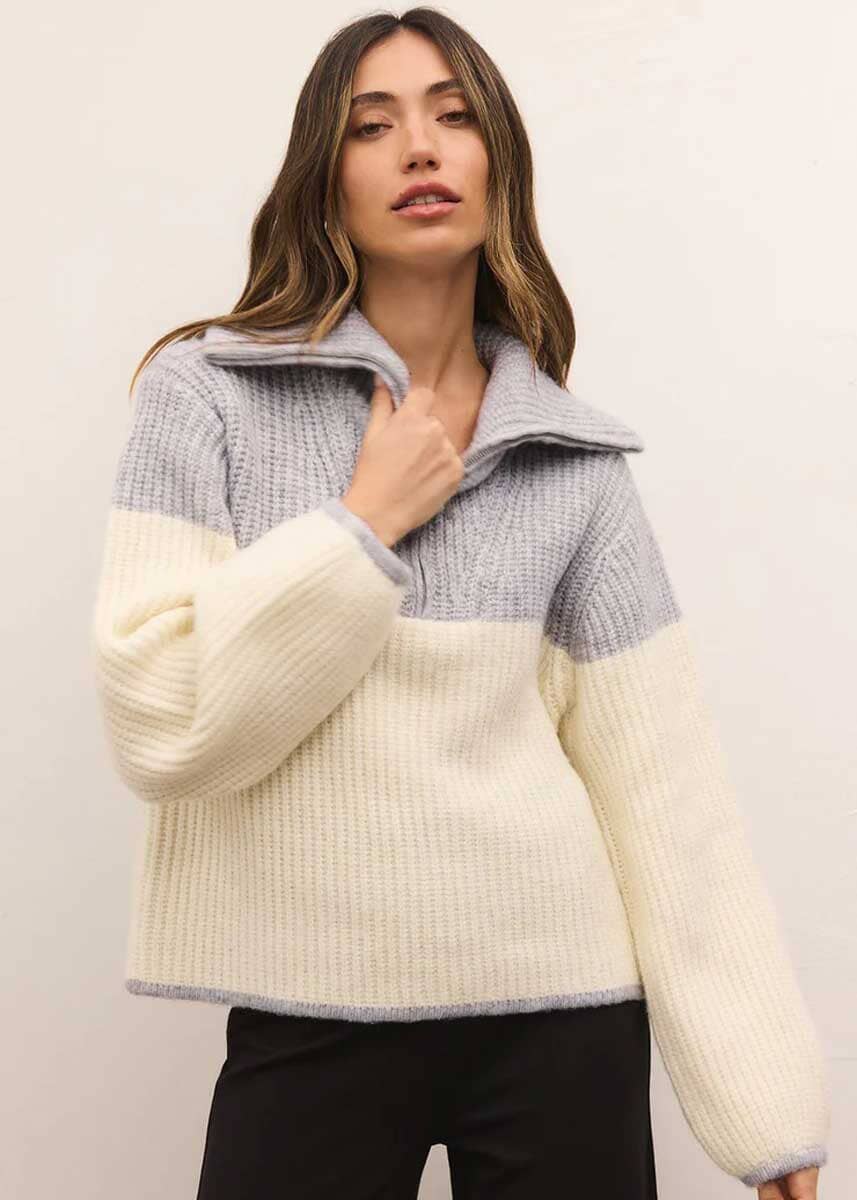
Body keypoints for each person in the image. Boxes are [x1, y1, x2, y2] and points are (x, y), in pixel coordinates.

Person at [91, 9, 830, 1200]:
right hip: (308, 1010)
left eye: (452, 116)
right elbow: (161, 721)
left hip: (562, 1017)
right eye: (370, 126)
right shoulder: (206, 396)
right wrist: (361, 525)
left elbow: (667, 796)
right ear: (324, 178)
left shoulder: (570, 459)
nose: (420, 148)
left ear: (498, 163)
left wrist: (764, 1107)